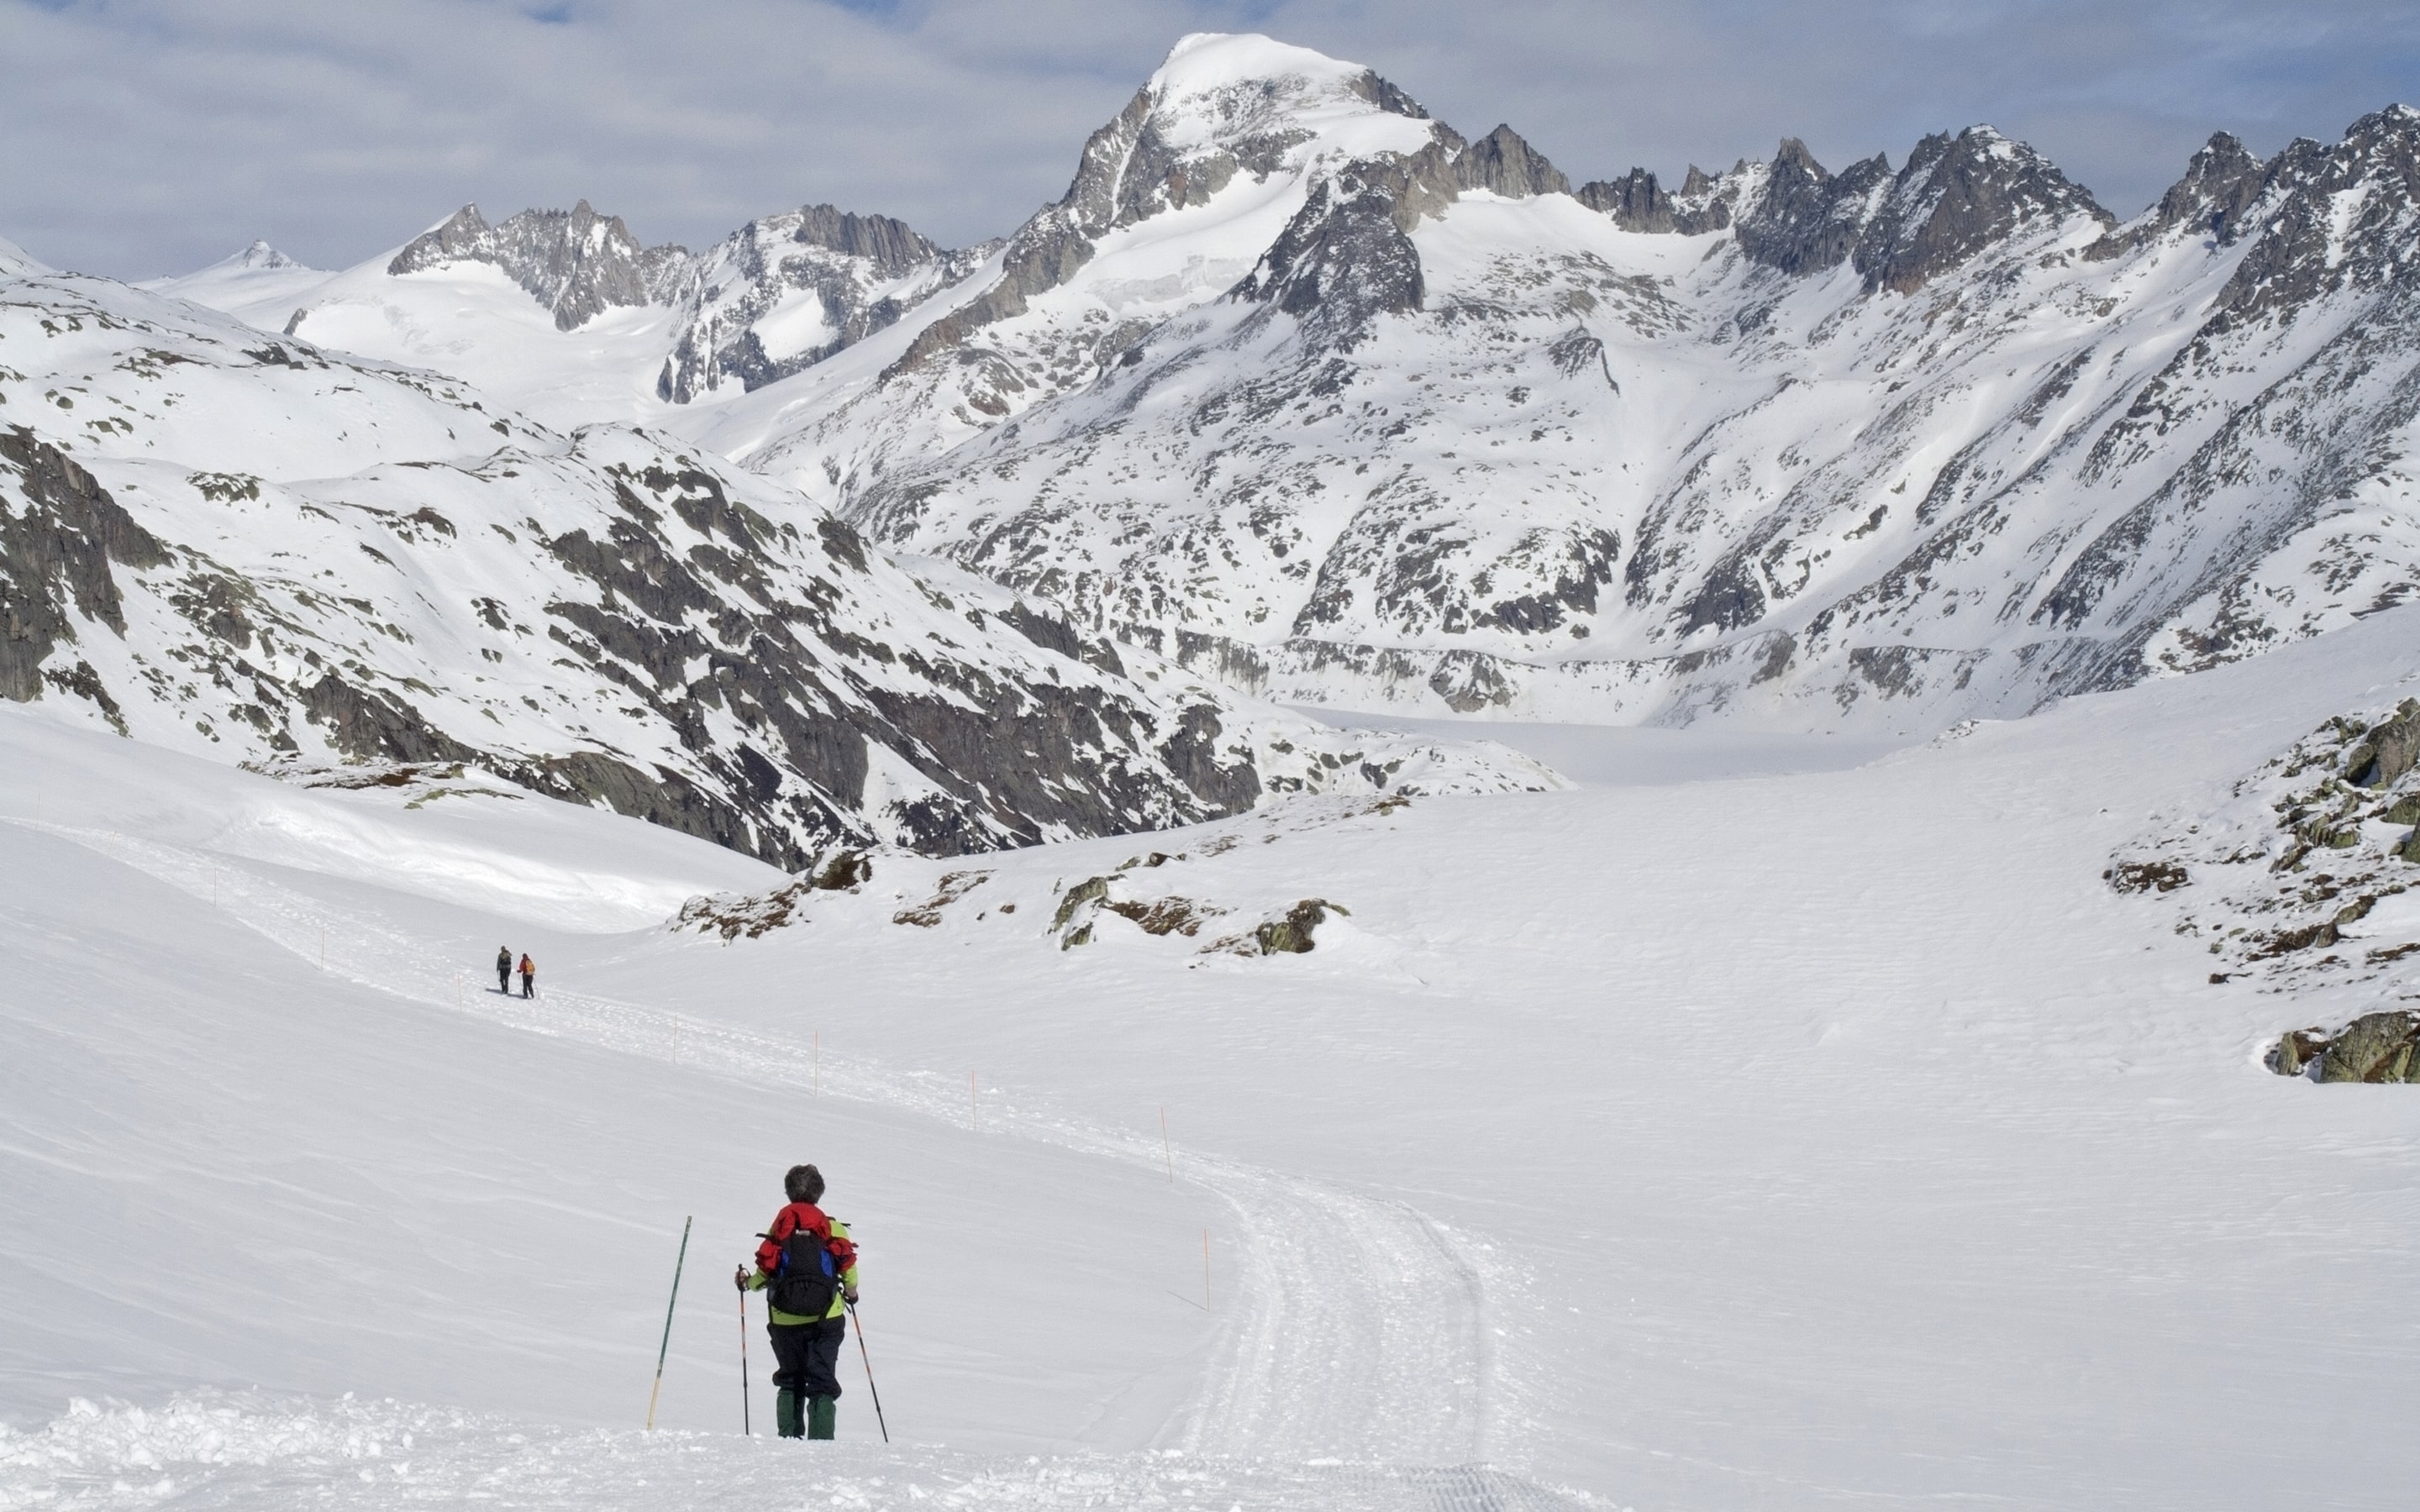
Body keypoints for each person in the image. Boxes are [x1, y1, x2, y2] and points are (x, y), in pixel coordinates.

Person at [736, 1163, 859, 1440]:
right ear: (819, 1192)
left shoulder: (781, 1226)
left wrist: (747, 1284)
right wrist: (851, 1293)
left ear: (789, 1192)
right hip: (826, 1317)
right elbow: (848, 1268)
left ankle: (788, 1444)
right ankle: (821, 1446)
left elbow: (765, 1270)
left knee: (791, 1379)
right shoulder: (834, 1227)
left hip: (784, 1318)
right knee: (822, 1380)